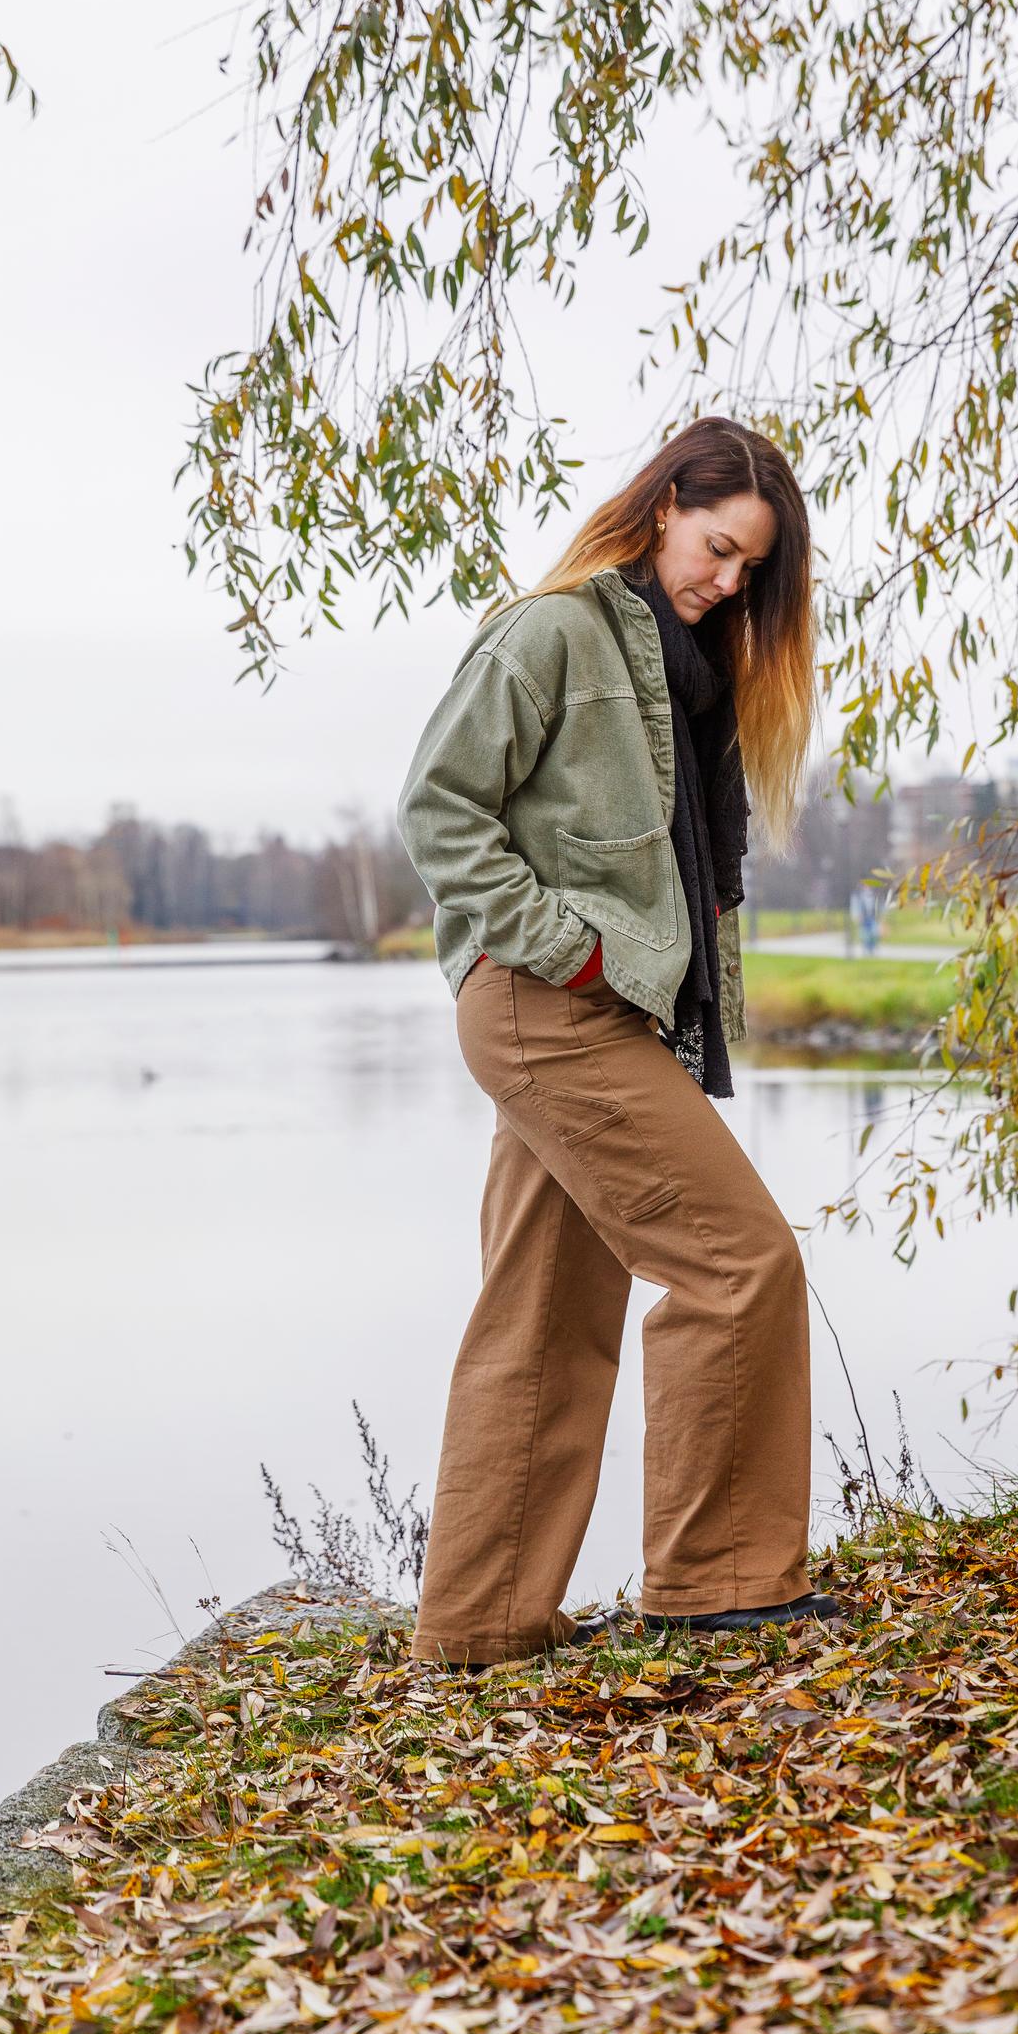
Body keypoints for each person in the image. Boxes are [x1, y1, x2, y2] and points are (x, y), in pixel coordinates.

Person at [397, 415, 844, 1666]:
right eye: (718, 548)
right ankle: (717, 1577)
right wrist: (569, 946)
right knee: (739, 1262)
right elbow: (438, 808)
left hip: (592, 1010)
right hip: (549, 1003)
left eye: (752, 566)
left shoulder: (685, 676)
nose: (729, 581)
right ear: (661, 512)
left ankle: (481, 1624)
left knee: (542, 1315)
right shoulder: (552, 633)